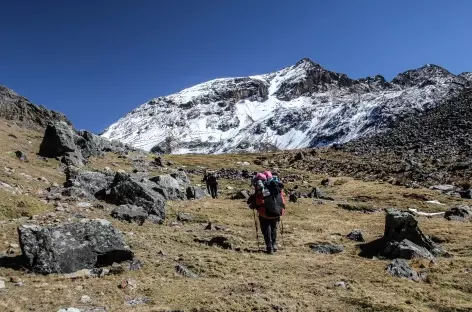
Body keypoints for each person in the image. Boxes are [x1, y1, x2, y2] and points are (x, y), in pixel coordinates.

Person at [250, 171, 285, 254]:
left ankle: (269, 247)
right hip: (276, 211)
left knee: (266, 229)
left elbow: (256, 201)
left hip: (263, 212)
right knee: (274, 228)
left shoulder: (260, 187)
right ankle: (274, 245)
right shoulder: (276, 186)